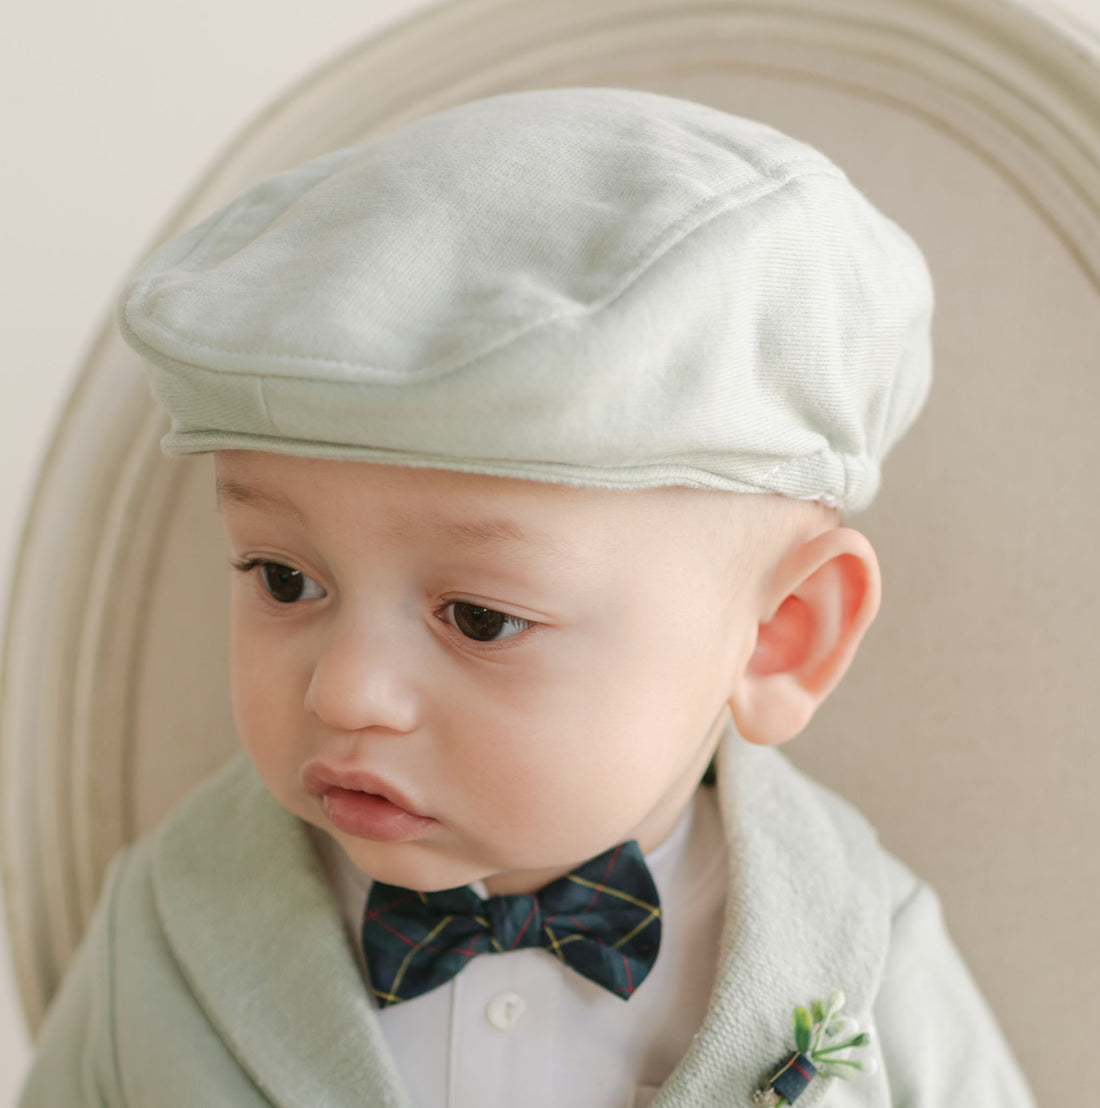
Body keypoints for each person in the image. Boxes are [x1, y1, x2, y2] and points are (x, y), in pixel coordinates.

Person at [17, 86, 1037, 1107]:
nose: (347, 689)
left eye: (481, 617)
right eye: (285, 579)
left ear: (778, 637)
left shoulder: (863, 952)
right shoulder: (163, 930)